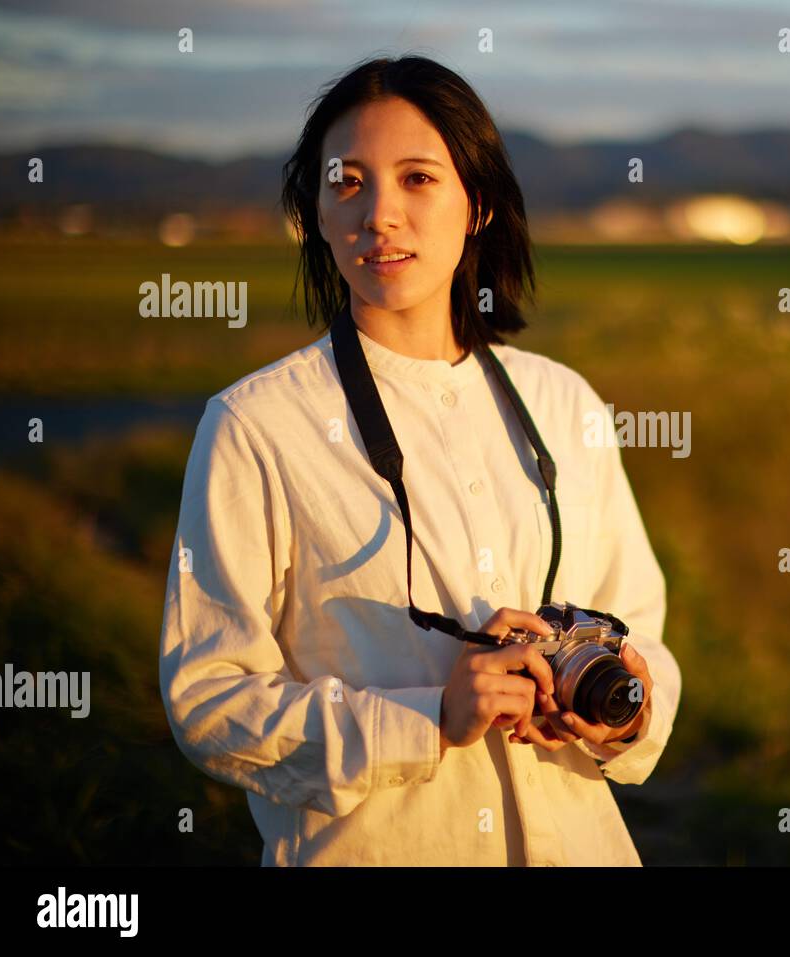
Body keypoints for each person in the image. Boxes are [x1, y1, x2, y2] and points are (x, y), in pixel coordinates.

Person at [158, 55, 679, 866]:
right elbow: (209, 698)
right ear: (317, 215)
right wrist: (428, 716)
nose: (380, 215)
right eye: (348, 183)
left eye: (418, 179)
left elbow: (642, 627)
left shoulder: (563, 401)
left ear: (479, 205)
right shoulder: (256, 425)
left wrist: (621, 707)